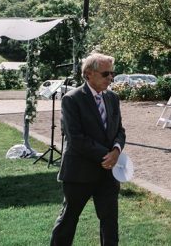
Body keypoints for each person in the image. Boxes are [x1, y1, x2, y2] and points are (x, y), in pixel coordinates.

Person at [50, 52, 126, 246]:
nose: (110, 78)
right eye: (105, 73)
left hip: (108, 173)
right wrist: (107, 155)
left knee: (110, 222)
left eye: (112, 73)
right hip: (79, 172)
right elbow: (75, 138)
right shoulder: (72, 99)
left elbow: (119, 130)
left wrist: (116, 151)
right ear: (88, 74)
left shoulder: (113, 98)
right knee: (68, 220)